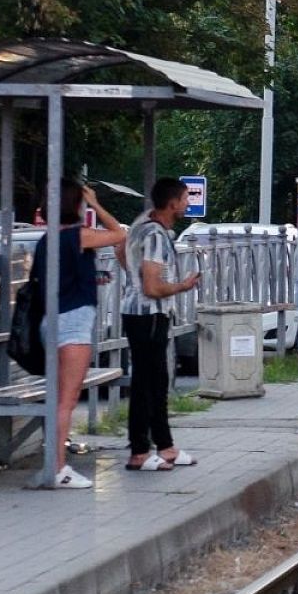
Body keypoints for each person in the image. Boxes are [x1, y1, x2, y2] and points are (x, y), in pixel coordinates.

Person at [35, 179, 126, 489]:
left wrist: (92, 277)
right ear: (76, 204)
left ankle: (55, 464)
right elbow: (119, 234)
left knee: (59, 398)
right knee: (67, 401)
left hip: (51, 320)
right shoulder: (77, 236)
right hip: (74, 325)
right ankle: (58, 468)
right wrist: (97, 204)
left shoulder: (47, 240)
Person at [119, 177, 200, 471]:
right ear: (173, 203)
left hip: (138, 312)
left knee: (155, 381)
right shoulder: (155, 236)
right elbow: (153, 287)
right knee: (148, 383)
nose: (187, 203)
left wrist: (132, 279)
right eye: (184, 199)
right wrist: (183, 286)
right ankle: (140, 451)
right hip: (149, 314)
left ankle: (165, 447)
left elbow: (120, 250)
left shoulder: (142, 225)